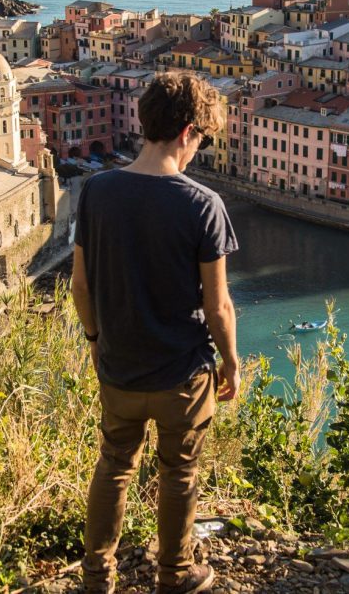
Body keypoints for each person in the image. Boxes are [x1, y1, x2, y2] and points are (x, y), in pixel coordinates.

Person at [72, 72, 239, 594]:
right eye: (202, 140)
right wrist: (231, 362)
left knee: (115, 464)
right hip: (181, 375)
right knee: (179, 472)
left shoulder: (96, 190)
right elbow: (217, 306)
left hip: (119, 367)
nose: (199, 151)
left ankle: (98, 575)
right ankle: (175, 573)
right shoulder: (202, 204)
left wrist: (96, 341)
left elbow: (81, 286)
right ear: (188, 130)